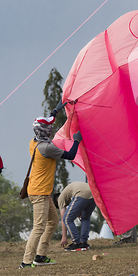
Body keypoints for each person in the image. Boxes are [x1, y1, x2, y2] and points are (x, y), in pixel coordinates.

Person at [19, 101, 82, 269]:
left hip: (42, 191)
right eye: (50, 129)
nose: (52, 130)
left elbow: (46, 123)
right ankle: (26, 262)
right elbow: (70, 155)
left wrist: (56, 110)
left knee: (53, 221)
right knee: (38, 228)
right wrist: (77, 140)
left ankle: (40, 256)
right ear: (47, 133)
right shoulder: (47, 148)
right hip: (39, 193)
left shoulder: (34, 142)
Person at [53, 181, 96, 251]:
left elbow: (64, 218)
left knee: (67, 219)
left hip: (81, 194)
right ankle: (83, 243)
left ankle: (76, 243)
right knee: (85, 217)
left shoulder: (60, 199)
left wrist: (64, 237)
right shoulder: (68, 193)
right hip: (94, 193)